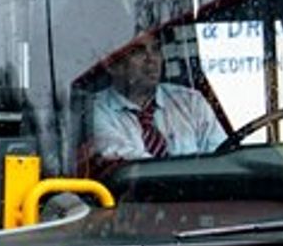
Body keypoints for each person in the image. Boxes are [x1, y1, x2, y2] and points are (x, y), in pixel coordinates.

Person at [82, 31, 226, 174]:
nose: (152, 59)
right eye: (138, 51)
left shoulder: (191, 102)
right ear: (112, 66)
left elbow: (221, 160)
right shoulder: (94, 110)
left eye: (156, 49)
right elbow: (135, 168)